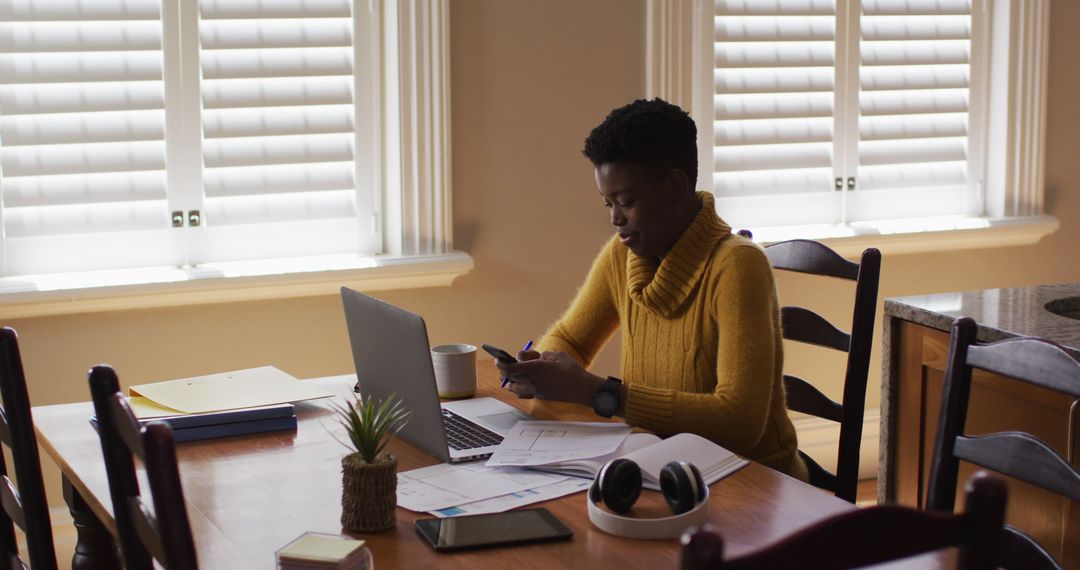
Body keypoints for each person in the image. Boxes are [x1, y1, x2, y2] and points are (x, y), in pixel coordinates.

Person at [496, 98, 807, 480]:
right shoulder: (622, 256)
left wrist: (600, 394)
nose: (614, 218)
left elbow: (740, 422)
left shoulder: (738, 266)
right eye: (607, 203)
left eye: (626, 202)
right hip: (660, 466)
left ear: (676, 185)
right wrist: (539, 370)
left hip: (752, 480)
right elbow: (571, 339)